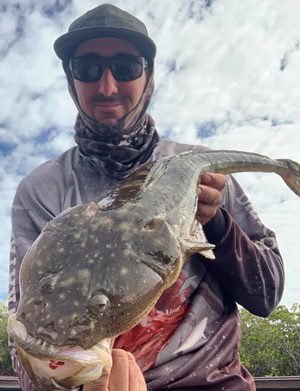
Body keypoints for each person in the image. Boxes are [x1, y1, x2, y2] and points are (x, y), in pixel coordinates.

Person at [8, 4, 284, 391]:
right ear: (71, 79)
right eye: (87, 68)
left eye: (126, 67)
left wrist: (217, 224)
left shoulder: (209, 178)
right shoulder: (42, 190)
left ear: (149, 77)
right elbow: (25, 328)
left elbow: (268, 296)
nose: (107, 86)